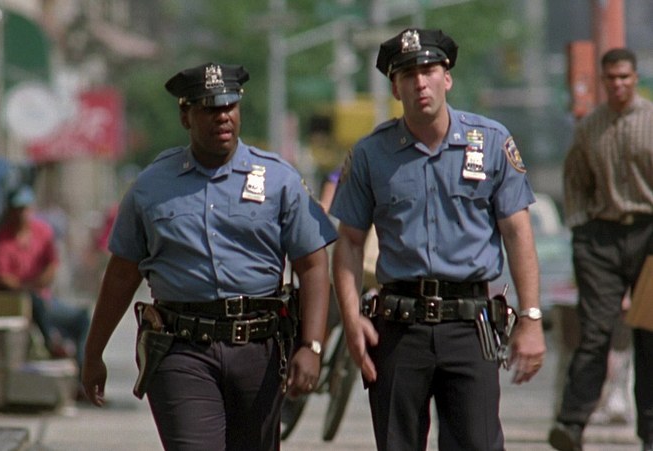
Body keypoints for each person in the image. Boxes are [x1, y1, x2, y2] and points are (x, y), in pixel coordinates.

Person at [80, 62, 336, 450]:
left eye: (229, 106)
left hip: (260, 350)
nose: (222, 116)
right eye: (209, 108)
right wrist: (93, 351)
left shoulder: (279, 180)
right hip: (181, 350)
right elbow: (121, 274)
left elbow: (313, 264)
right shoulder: (151, 187)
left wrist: (312, 346)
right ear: (186, 116)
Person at [330, 28, 547, 450]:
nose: (420, 83)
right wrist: (351, 318)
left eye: (429, 71)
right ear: (395, 88)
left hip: (470, 326)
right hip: (398, 328)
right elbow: (350, 241)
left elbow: (518, 232)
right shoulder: (370, 154)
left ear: (447, 78)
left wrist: (531, 318)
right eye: (407, 75)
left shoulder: (491, 142)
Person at [550, 47, 653, 451]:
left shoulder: (650, 120)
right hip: (601, 237)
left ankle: (650, 432)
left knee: (648, 333)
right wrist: (580, 227)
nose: (618, 84)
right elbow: (574, 180)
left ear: (635, 78)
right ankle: (571, 424)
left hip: (648, 235)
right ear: (602, 80)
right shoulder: (589, 127)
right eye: (611, 78)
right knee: (595, 332)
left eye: (624, 77)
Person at [0, 186, 91, 372]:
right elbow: (1, 276)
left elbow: (51, 265)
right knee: (32, 300)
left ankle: (84, 375)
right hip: (16, 301)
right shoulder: (2, 238)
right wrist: (25, 287)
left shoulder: (42, 231)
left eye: (25, 209)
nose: (22, 214)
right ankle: (50, 340)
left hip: (43, 298)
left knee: (82, 319)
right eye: (17, 209)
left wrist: (37, 283)